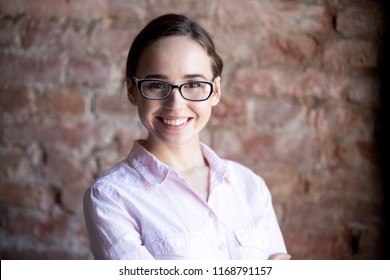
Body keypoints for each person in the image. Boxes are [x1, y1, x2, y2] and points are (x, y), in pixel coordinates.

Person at [83, 13, 290, 260]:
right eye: (157, 85)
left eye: (193, 85)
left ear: (215, 91)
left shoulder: (250, 186)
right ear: (132, 91)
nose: (176, 105)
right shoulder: (110, 198)